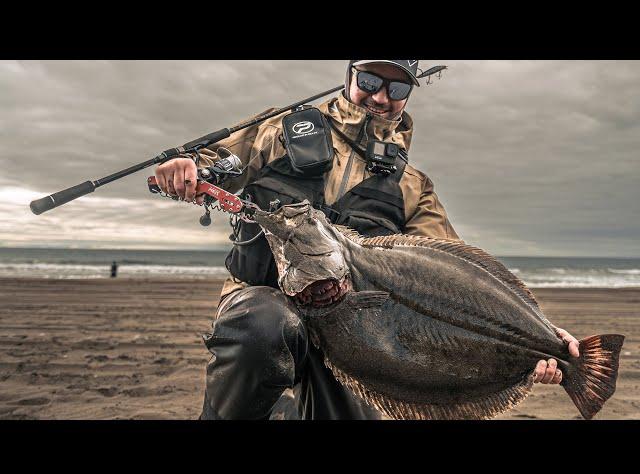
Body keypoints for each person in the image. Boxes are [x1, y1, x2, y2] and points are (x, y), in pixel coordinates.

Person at [154, 60, 580, 420]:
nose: (380, 97)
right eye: (370, 81)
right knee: (261, 329)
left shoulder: (413, 186)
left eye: (395, 87)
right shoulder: (278, 131)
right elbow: (219, 160)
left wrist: (543, 338)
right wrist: (189, 167)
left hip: (357, 327)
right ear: (349, 76)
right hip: (261, 295)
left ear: (408, 94)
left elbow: (455, 278)